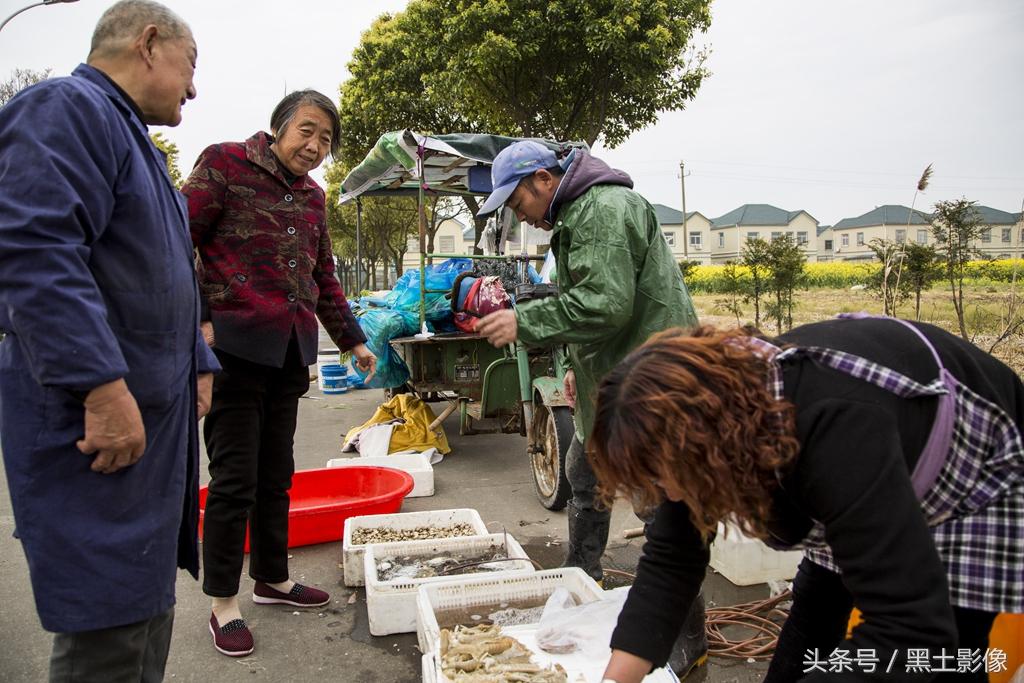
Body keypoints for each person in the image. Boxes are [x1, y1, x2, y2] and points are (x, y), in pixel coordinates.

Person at [588, 317, 1024, 683]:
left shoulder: (834, 430)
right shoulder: (705, 431)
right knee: (806, 638)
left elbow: (913, 629)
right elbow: (670, 563)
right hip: (863, 475)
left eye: (664, 479)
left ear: (710, 449)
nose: (666, 495)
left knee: (940, 658)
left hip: (983, 475)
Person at [0, 1, 218, 680]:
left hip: (149, 428)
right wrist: (98, 382)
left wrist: (199, 361)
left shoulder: (133, 143)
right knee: (108, 632)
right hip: (97, 432)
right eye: (191, 65)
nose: (193, 87)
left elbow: (159, 279)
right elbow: (33, 250)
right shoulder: (67, 110)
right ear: (149, 43)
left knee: (140, 615)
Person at [474, 140, 707, 674]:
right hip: (614, 379)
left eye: (517, 203)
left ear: (541, 179)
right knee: (584, 475)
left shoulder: (603, 209)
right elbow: (596, 306)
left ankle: (688, 640)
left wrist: (524, 322)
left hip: (653, 385)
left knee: (663, 514)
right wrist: (579, 371)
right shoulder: (580, 213)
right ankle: (586, 584)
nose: (520, 215)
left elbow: (605, 304)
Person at [182, 90, 376, 657]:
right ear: (280, 127)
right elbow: (174, 240)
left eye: (326, 140)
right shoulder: (224, 163)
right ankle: (223, 604)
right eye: (307, 132)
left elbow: (324, 278)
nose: (315, 147)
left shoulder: (315, 197)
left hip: (290, 352)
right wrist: (198, 322)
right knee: (235, 479)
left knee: (277, 476)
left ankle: (273, 579)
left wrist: (355, 339)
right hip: (232, 351)